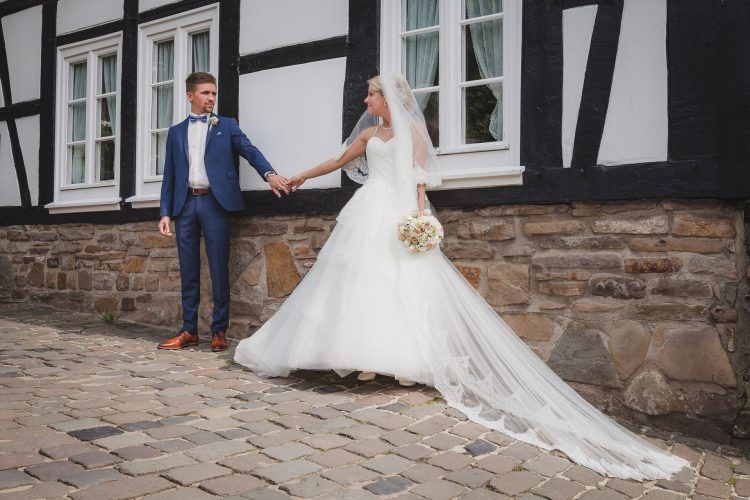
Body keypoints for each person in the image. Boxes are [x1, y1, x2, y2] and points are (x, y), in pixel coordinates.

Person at [233, 74, 689, 480]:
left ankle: (405, 362)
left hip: (395, 212)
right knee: (358, 282)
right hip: (366, 209)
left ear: (386, 96)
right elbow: (336, 162)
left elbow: (417, 179)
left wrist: (418, 219)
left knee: (403, 281)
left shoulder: (411, 131)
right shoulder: (370, 133)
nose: (365, 102)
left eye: (370, 95)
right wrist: (296, 177)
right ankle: (366, 358)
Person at [157, 72, 289, 352]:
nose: (211, 98)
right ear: (190, 95)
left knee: (219, 268)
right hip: (184, 205)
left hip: (214, 204)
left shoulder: (226, 125)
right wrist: (165, 211)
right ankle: (189, 330)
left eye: (214, 93)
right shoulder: (176, 132)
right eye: (205, 93)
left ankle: (219, 331)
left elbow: (249, 151)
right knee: (188, 270)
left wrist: (270, 174)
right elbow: (169, 174)